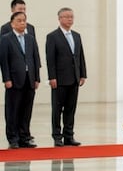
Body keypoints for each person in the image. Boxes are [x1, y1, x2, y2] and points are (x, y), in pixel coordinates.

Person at [45, 8, 86, 147]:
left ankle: (69, 135)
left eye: (71, 17)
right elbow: (50, 59)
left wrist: (83, 74)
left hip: (74, 78)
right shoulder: (53, 36)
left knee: (70, 109)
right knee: (57, 109)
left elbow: (80, 56)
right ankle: (57, 136)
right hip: (59, 79)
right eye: (67, 17)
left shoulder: (76, 36)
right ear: (60, 18)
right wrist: (52, 77)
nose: (70, 19)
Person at [0, 11, 41, 149]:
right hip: (14, 80)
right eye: (19, 20)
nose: (22, 23)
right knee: (13, 110)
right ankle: (13, 138)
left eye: (24, 20)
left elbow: (36, 58)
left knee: (26, 110)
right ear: (12, 23)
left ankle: (24, 137)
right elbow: (4, 61)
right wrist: (6, 78)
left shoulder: (30, 38)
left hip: (29, 80)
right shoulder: (6, 39)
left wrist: (37, 78)